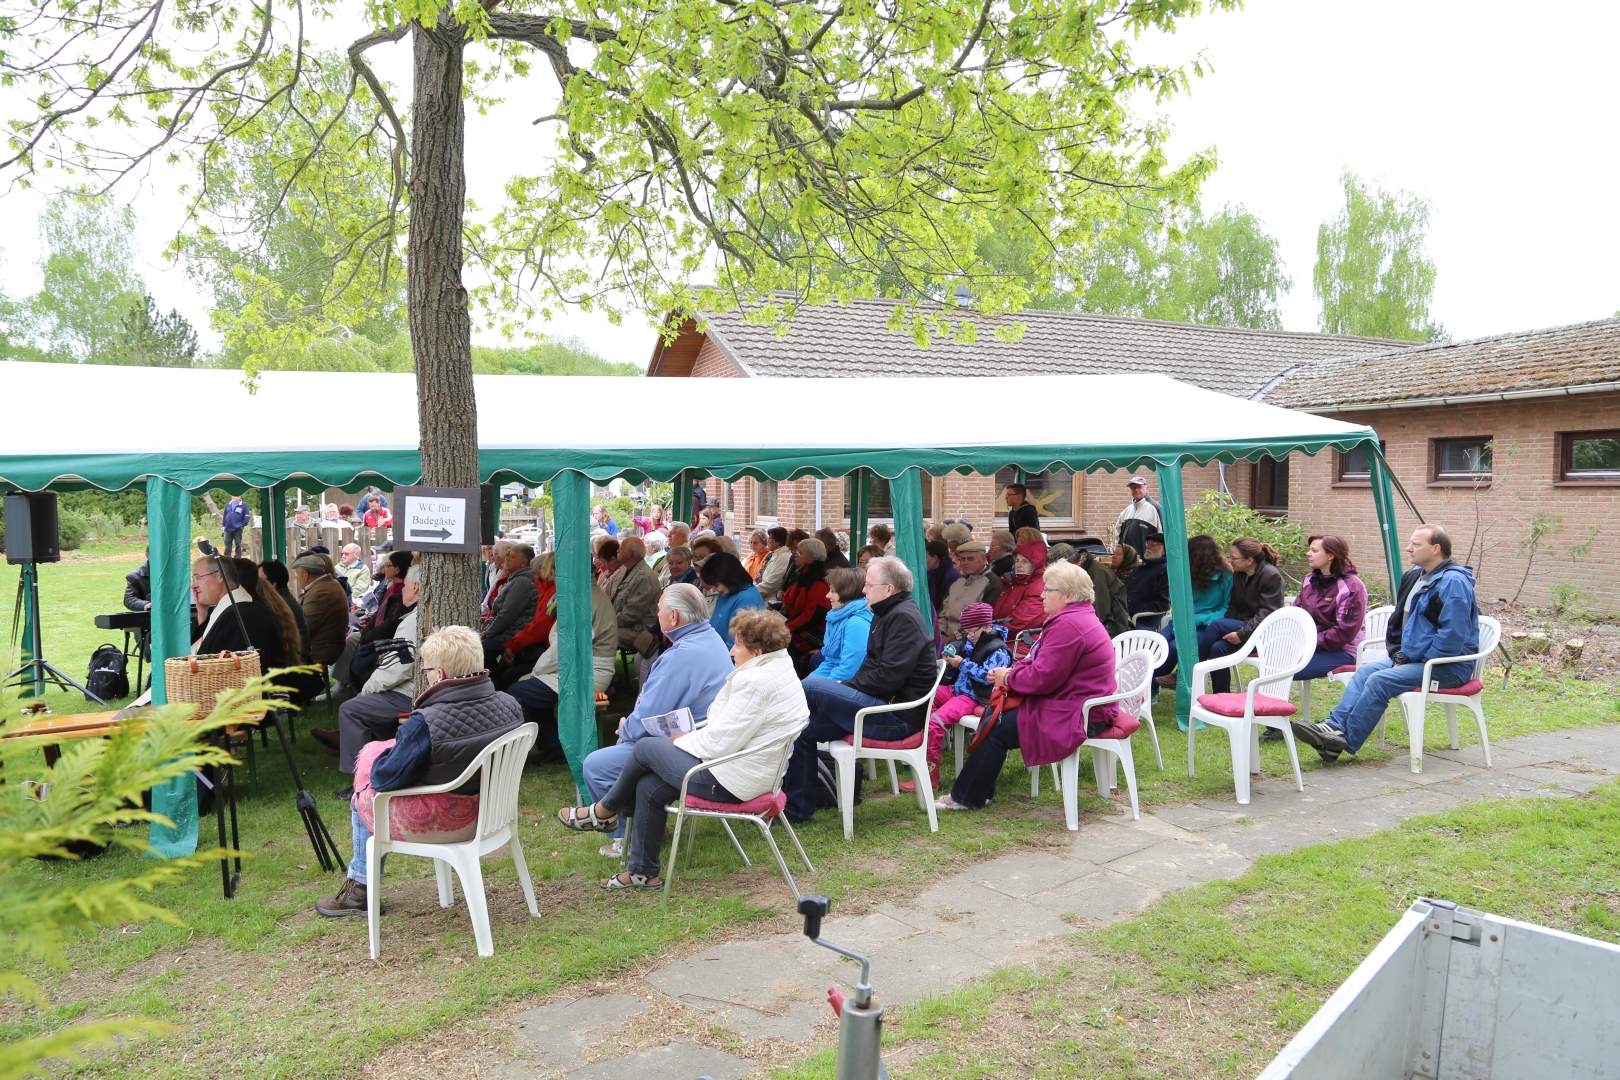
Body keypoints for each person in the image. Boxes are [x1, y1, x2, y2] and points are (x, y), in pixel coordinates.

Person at [557, 607, 808, 889]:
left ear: (758, 651)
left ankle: (604, 811)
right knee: (649, 785)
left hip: (732, 781)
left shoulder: (756, 682)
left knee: (646, 748)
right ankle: (642, 872)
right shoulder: (779, 669)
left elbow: (720, 742)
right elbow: (727, 734)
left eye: (737, 645)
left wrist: (677, 741)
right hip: (744, 770)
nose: (731, 652)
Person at [316, 625, 524, 918]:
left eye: (425, 669)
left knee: (363, 794)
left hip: (447, 822)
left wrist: (379, 755)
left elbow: (385, 780)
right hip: (494, 814)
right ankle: (360, 889)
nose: (424, 676)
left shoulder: (425, 722)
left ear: (438, 675)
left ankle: (361, 889)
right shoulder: (510, 705)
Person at [940, 561, 1122, 811]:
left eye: (1049, 590)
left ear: (1068, 595)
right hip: (1076, 704)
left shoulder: (1069, 624)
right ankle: (977, 793)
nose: (1042, 594)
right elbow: (1041, 666)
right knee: (997, 718)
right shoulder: (1077, 617)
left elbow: (1042, 678)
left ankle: (967, 797)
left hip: (1076, 712)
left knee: (997, 726)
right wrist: (1014, 672)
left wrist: (1007, 677)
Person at [569, 583, 734, 857]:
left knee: (596, 765)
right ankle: (633, 827)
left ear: (674, 618)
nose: (656, 615)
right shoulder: (711, 638)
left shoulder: (681, 656)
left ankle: (622, 836)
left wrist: (626, 729)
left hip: (689, 746)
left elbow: (647, 715)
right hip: (702, 738)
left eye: (659, 610)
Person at [1293, 526, 1478, 763]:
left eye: (1416, 544)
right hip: (1413, 659)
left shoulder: (1453, 583)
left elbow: (1452, 637)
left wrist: (1413, 661)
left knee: (1380, 680)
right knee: (1365, 673)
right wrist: (1399, 655)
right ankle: (1333, 727)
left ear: (1436, 549)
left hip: (1446, 666)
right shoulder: (1417, 576)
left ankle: (1344, 740)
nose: (1409, 548)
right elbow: (1401, 622)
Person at [785, 557, 938, 821]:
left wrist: (843, 689)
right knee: (801, 728)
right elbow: (871, 670)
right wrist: (842, 692)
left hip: (897, 719)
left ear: (889, 589)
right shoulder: (885, 614)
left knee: (811, 686)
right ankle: (798, 809)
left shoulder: (903, 619)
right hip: (879, 708)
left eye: (869, 584)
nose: (864, 590)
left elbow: (887, 678)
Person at [316, 566, 423, 796]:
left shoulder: (414, 621)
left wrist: (368, 689)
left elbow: (400, 668)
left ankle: (361, 783)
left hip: (412, 695)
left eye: (404, 587)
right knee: (366, 705)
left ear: (415, 588)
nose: (402, 590)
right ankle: (377, 762)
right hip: (422, 691)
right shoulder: (421, 616)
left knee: (351, 709)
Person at [507, 574, 617, 761]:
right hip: (582, 668)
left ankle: (516, 753)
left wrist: (537, 672)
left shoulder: (584, 601)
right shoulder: (587, 594)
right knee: (526, 690)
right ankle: (553, 746)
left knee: (520, 692)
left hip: (589, 673)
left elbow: (565, 648)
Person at [923, 603, 1010, 789]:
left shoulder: (998, 650)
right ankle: (917, 756)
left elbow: (988, 678)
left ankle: (930, 778)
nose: (969, 637)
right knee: (921, 697)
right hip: (955, 691)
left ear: (987, 626)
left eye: (972, 632)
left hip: (972, 698)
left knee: (933, 723)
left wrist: (962, 664)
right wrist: (951, 654)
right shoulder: (972, 641)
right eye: (966, 632)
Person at [1153, 535, 1232, 707]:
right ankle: (1148, 687)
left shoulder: (1226, 576)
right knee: (1158, 645)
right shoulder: (1185, 575)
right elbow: (1178, 605)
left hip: (1206, 626)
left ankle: (1174, 678)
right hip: (1181, 622)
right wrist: (1180, 623)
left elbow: (1226, 609)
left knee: (1175, 648)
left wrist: (1197, 620)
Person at [1201, 538, 1287, 692]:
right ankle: (1222, 697)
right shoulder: (1239, 574)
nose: (1230, 560)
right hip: (1243, 626)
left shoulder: (1271, 575)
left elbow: (1267, 613)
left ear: (1249, 560)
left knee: (1217, 625)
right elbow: (1233, 606)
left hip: (1264, 632)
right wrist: (1231, 629)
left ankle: (1191, 669)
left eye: (1234, 558)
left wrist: (1241, 633)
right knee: (1217, 648)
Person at [1291, 535, 1370, 681]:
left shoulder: (1352, 587)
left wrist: (1309, 642)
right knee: (1273, 661)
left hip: (1343, 650)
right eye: (1309, 550)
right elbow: (1297, 611)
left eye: (1314, 551)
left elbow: (1344, 631)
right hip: (1311, 644)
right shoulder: (1309, 579)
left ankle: (1273, 703)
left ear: (1330, 555)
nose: (1308, 554)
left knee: (1287, 670)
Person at [189, 555, 288, 668]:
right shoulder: (236, 610)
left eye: (198, 578)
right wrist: (202, 613)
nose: (194, 585)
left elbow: (211, 665)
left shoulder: (239, 616)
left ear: (219, 576)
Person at [495, 552, 559, 689]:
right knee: (504, 666)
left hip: (548, 651)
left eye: (536, 573)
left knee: (508, 673)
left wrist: (513, 645)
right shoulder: (546, 590)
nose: (534, 577)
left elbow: (540, 627)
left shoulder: (553, 592)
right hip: (541, 647)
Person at [807, 568, 873, 682]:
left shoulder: (857, 623)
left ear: (847, 592)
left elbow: (849, 671)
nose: (827, 595)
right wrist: (806, 684)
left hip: (854, 685)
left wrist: (817, 688)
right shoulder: (837, 616)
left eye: (832, 591)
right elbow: (830, 662)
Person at [482, 543, 537, 665]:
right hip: (504, 633)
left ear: (524, 562)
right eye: (507, 556)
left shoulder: (522, 582)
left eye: (512, 557)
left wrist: (486, 633)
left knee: (479, 650)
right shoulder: (516, 579)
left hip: (509, 635)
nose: (507, 559)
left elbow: (506, 615)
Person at [607, 536, 662, 661]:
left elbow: (631, 616)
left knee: (595, 634)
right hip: (623, 625)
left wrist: (606, 623)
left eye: (621, 549)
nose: (617, 551)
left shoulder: (644, 577)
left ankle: (597, 674)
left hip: (638, 631)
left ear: (630, 553)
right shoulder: (624, 570)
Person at [781, 536, 832, 670]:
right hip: (795, 627)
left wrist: (785, 627)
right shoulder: (802, 575)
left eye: (800, 553)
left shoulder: (819, 582)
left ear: (812, 557)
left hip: (809, 634)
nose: (796, 555)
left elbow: (812, 616)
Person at [939, 540, 1003, 641]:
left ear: (984, 558)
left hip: (969, 639)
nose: (965, 563)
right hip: (945, 636)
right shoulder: (958, 581)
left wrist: (954, 638)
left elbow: (980, 621)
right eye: (962, 559)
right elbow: (943, 611)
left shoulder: (992, 583)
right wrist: (940, 633)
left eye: (970, 559)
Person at [699, 552, 766, 647]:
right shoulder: (728, 591)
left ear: (729, 578)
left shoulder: (747, 599)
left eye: (716, 585)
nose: (714, 589)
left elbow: (738, 643)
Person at [1076, 540, 1132, 637]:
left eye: (1118, 555)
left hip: (1113, 629)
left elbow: (1101, 610)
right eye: (1113, 554)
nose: (1113, 556)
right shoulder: (1109, 571)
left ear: (1127, 558)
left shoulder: (1100, 574)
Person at [992, 540, 1048, 635]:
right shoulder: (1012, 583)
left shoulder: (1038, 587)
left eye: (1025, 561)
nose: (1019, 565)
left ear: (1036, 563)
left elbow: (1021, 622)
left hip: (1023, 642)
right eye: (1017, 560)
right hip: (1005, 636)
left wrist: (990, 631)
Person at [1115, 476, 1163, 556]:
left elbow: (1162, 535)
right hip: (1128, 561)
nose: (1136, 490)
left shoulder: (1156, 508)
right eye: (1133, 488)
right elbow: (1117, 535)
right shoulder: (1126, 511)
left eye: (1139, 487)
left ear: (1146, 488)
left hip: (1147, 562)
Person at [1125, 531, 1169, 618]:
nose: (1148, 546)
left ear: (1164, 550)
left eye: (1153, 544)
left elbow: (1163, 604)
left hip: (1144, 619)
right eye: (1148, 543)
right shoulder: (1140, 568)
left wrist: (1133, 611)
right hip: (1124, 615)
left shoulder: (1165, 571)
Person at [924, 539, 958, 618]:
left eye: (925, 557)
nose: (923, 561)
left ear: (935, 558)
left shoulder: (952, 577)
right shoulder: (932, 573)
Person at [757, 526, 793, 601]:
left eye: (770, 538)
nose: (768, 541)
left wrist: (751, 591)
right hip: (763, 595)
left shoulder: (784, 557)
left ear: (778, 542)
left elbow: (771, 584)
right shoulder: (772, 554)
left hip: (771, 600)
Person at [222, 494, 252, 558]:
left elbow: (247, 517)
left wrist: (241, 525)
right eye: (233, 495)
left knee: (238, 544)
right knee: (227, 544)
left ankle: (238, 558)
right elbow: (224, 516)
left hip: (238, 529)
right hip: (228, 529)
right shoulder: (228, 505)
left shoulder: (244, 505)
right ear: (231, 496)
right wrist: (223, 526)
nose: (235, 497)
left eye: (237, 496)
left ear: (240, 496)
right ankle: (227, 558)